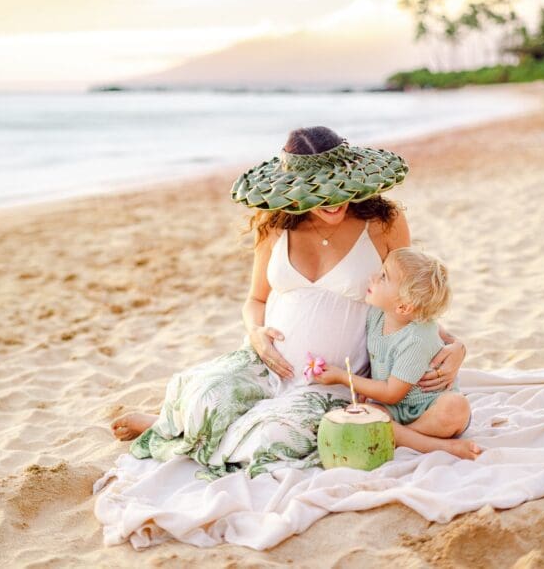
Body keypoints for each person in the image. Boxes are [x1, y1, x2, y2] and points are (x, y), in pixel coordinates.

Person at [110, 126, 467, 479]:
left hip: (336, 380)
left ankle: (186, 432)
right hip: (265, 363)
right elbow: (255, 299)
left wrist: (455, 346)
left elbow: (408, 298)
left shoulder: (383, 222)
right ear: (294, 188)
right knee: (204, 395)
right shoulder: (273, 226)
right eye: (321, 190)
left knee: (274, 437)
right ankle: (174, 425)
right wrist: (255, 334)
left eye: (339, 184)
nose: (336, 200)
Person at [313, 247, 481, 460]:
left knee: (456, 407)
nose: (374, 277)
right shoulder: (377, 314)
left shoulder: (417, 338)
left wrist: (341, 377)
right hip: (393, 409)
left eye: (383, 277)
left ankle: (423, 443)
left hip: (428, 407)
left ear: (402, 307)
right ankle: (412, 438)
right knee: (364, 413)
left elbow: (392, 391)